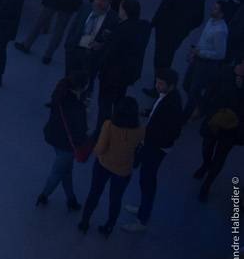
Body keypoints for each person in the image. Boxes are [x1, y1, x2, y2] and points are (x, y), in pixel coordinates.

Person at [120, 68, 185, 232]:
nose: (157, 85)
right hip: (154, 145)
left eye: (161, 83)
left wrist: (147, 140)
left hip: (155, 148)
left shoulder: (172, 105)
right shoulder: (167, 97)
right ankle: (143, 208)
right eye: (157, 82)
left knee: (148, 180)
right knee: (146, 178)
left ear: (171, 86)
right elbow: (157, 112)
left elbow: (172, 132)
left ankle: (142, 219)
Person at [79, 96, 144, 235]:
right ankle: (109, 226)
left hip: (103, 165)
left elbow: (100, 149)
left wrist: (94, 149)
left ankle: (85, 222)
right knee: (115, 200)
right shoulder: (140, 130)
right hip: (123, 171)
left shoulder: (109, 125)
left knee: (94, 193)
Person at [37, 75, 88, 212]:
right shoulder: (78, 107)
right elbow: (81, 131)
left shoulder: (59, 95)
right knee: (59, 172)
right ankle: (44, 195)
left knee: (66, 170)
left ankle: (71, 198)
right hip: (67, 145)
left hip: (54, 137)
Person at [196, 61, 244, 202]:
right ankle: (205, 164)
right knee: (207, 146)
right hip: (214, 120)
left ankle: (207, 184)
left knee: (221, 155)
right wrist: (205, 110)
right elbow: (211, 91)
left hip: (232, 127)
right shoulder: (225, 72)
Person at [149, 0, 208, 82]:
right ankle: (162, 79)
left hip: (164, 32)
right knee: (169, 53)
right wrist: (186, 28)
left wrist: (152, 25)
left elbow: (160, 13)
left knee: (160, 57)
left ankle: (160, 82)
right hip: (180, 33)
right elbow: (199, 20)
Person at [182, 0, 231, 119]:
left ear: (221, 14)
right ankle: (201, 104)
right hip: (198, 58)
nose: (212, 10)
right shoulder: (211, 21)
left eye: (215, 9)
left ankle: (185, 116)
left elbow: (220, 54)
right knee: (186, 84)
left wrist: (201, 53)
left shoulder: (220, 31)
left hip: (206, 64)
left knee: (194, 90)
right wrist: (195, 53)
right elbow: (203, 39)